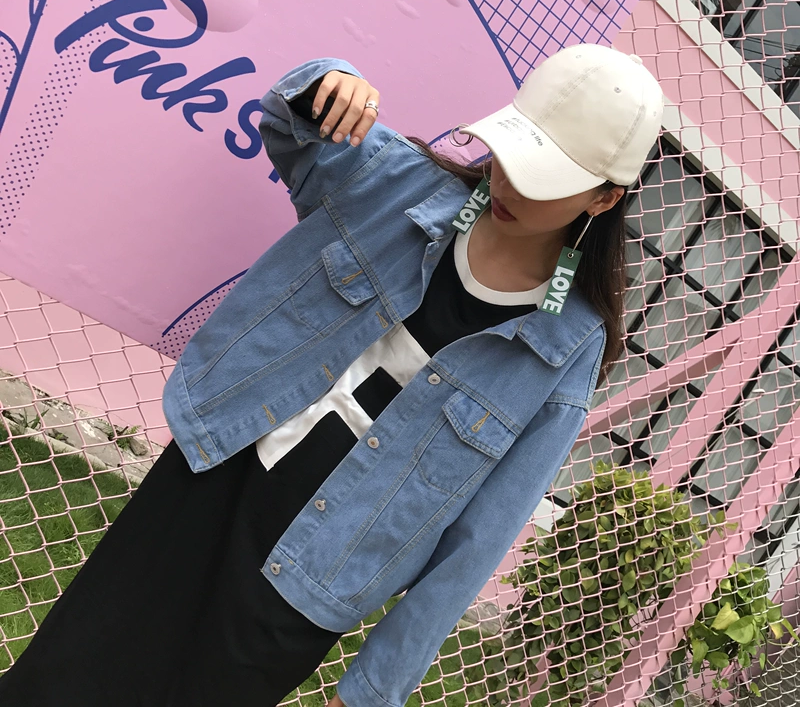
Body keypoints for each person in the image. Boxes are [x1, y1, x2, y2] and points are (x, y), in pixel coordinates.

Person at [0, 43, 663, 707]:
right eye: (513, 154)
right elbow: (289, 127)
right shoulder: (396, 184)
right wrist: (326, 82)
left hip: (312, 580)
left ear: (603, 198)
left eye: (543, 178)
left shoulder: (567, 346)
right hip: (216, 471)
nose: (510, 185)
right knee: (62, 677)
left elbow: (482, 535)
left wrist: (376, 686)